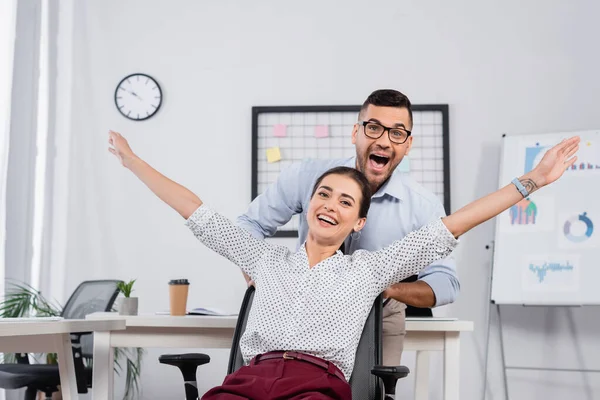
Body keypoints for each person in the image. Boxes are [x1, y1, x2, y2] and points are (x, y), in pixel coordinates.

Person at [108, 130, 578, 399]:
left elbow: (452, 226)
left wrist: (532, 180)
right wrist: (133, 162)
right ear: (308, 205)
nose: (331, 204)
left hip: (315, 386)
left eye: (345, 201)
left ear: (358, 222)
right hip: (248, 382)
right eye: (323, 194)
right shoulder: (264, 258)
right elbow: (197, 212)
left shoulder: (368, 271)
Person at [237, 89, 458, 364]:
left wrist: (386, 290)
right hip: (305, 308)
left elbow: (446, 282)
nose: (384, 141)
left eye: (397, 133)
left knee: (376, 392)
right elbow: (249, 225)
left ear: (408, 144)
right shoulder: (306, 177)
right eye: (374, 128)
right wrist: (257, 274)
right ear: (356, 133)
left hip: (379, 314)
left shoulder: (423, 205)